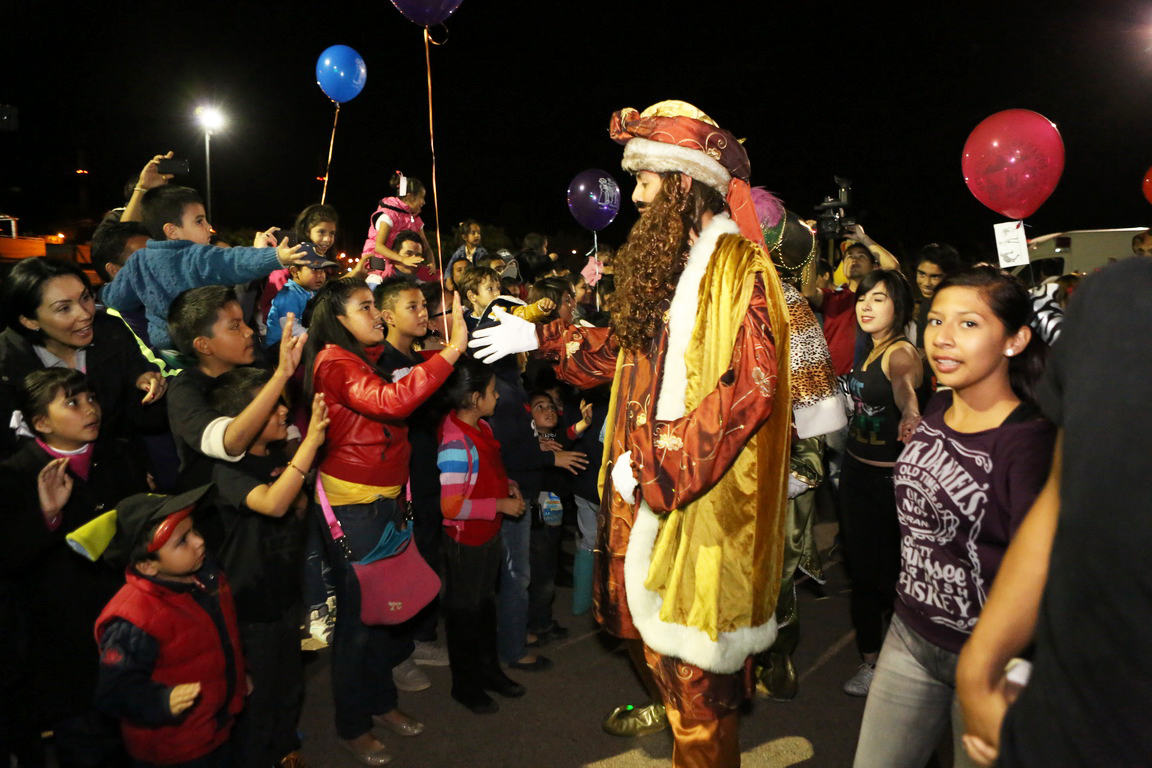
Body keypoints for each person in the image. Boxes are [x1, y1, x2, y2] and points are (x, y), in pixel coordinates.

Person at [471, 100, 795, 767]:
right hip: (639, 496)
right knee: (651, 648)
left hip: (695, 509)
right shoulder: (668, 273)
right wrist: (539, 334)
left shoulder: (740, 270)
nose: (636, 197)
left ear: (684, 184)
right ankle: (672, 714)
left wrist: (650, 462)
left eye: (647, 181)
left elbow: (751, 390)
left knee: (702, 693)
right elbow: (618, 349)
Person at [853, 267, 1055, 766]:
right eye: (936, 320)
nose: (942, 337)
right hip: (909, 634)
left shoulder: (1029, 442)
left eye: (968, 324)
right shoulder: (938, 408)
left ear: (1014, 340)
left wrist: (1010, 673)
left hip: (990, 659)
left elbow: (1046, 573)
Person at [956, 257, 1152, 767]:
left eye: (967, 321)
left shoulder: (1020, 436)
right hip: (1057, 727)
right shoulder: (1115, 300)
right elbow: (1063, 496)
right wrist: (978, 672)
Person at [304, 277, 466, 765]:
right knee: (358, 622)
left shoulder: (361, 360)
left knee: (383, 612)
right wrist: (453, 350)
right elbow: (392, 403)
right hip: (355, 508)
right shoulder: (334, 361)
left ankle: (381, 703)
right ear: (337, 318)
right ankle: (351, 724)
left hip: (385, 502)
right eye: (365, 306)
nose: (377, 315)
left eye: (376, 306)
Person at [0, 369, 149, 767]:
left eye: (91, 398)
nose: (90, 409)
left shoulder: (120, 454)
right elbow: (10, 557)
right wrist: (47, 515)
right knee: (89, 745)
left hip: (130, 621)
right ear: (41, 423)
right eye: (73, 402)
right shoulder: (15, 475)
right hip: (64, 645)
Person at [206, 368, 329, 768]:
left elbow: (293, 510)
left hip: (283, 598)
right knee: (255, 706)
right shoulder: (227, 471)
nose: (282, 411)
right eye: (271, 405)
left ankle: (285, 755)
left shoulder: (277, 458)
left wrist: (298, 493)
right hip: (248, 610)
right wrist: (309, 446)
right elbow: (272, 504)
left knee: (287, 690)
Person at [93, 486, 246, 768]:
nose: (199, 542)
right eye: (182, 541)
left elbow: (220, 638)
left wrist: (237, 676)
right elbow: (113, 693)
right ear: (147, 566)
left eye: (194, 531)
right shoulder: (134, 619)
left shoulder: (205, 577)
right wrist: (161, 701)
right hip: (174, 748)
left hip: (216, 727)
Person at [839, 268, 927, 696]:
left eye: (878, 299)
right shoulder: (866, 348)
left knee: (893, 576)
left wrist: (910, 413)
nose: (866, 306)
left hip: (889, 484)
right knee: (861, 573)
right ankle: (871, 662)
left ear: (899, 307)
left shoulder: (901, 351)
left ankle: (910, 663)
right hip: (855, 475)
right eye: (862, 298)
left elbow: (904, 383)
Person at [101, 185, 309, 350]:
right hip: (205, 350)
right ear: (172, 231)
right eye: (199, 221)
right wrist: (277, 256)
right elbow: (234, 261)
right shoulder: (196, 256)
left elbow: (115, 298)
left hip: (165, 352)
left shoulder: (138, 261)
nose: (208, 226)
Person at [0, 257, 167, 458]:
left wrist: (148, 391)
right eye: (64, 308)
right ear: (29, 320)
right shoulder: (7, 366)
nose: (85, 314)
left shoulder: (111, 334)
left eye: (86, 297)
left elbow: (145, 422)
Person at [436, 360, 528, 713]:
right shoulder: (455, 444)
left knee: (484, 607)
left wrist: (507, 485)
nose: (498, 395)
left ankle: (489, 671)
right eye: (492, 391)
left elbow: (487, 472)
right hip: (465, 541)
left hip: (486, 535)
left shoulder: (481, 428)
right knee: (464, 616)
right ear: (475, 399)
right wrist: (500, 505)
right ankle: (466, 685)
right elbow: (451, 507)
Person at [164, 285, 308, 492]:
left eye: (244, 322)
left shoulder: (255, 367)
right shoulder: (185, 391)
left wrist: (294, 471)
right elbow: (229, 444)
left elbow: (287, 426)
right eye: (235, 326)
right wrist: (281, 375)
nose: (249, 331)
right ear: (203, 345)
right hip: (220, 512)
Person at [803, 224, 901, 376]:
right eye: (849, 257)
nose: (854, 260)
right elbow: (808, 292)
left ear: (874, 267)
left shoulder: (880, 296)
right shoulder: (833, 296)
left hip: (869, 381)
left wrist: (864, 238)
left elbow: (893, 268)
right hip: (836, 382)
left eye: (861, 256)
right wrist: (810, 243)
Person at [259, 203, 342, 329]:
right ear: (306, 232)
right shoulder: (288, 262)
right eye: (321, 232)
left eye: (332, 233)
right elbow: (272, 311)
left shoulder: (326, 262)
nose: (327, 239)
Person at [361, 173, 436, 283]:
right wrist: (403, 259)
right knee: (376, 285)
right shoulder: (388, 216)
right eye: (422, 197)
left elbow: (426, 247)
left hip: (399, 266)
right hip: (377, 263)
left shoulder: (415, 220)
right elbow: (379, 247)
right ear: (410, 196)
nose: (424, 202)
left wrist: (431, 262)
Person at [266, 247, 336, 348]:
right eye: (315, 269)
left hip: (299, 340)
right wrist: (319, 339)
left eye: (323, 270)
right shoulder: (289, 294)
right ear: (295, 271)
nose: (321, 275)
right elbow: (290, 326)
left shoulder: (313, 291)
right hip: (279, 345)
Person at [911, 243, 962, 347]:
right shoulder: (926, 301)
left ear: (950, 276)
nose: (926, 283)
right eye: (922, 274)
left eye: (935, 277)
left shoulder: (959, 308)